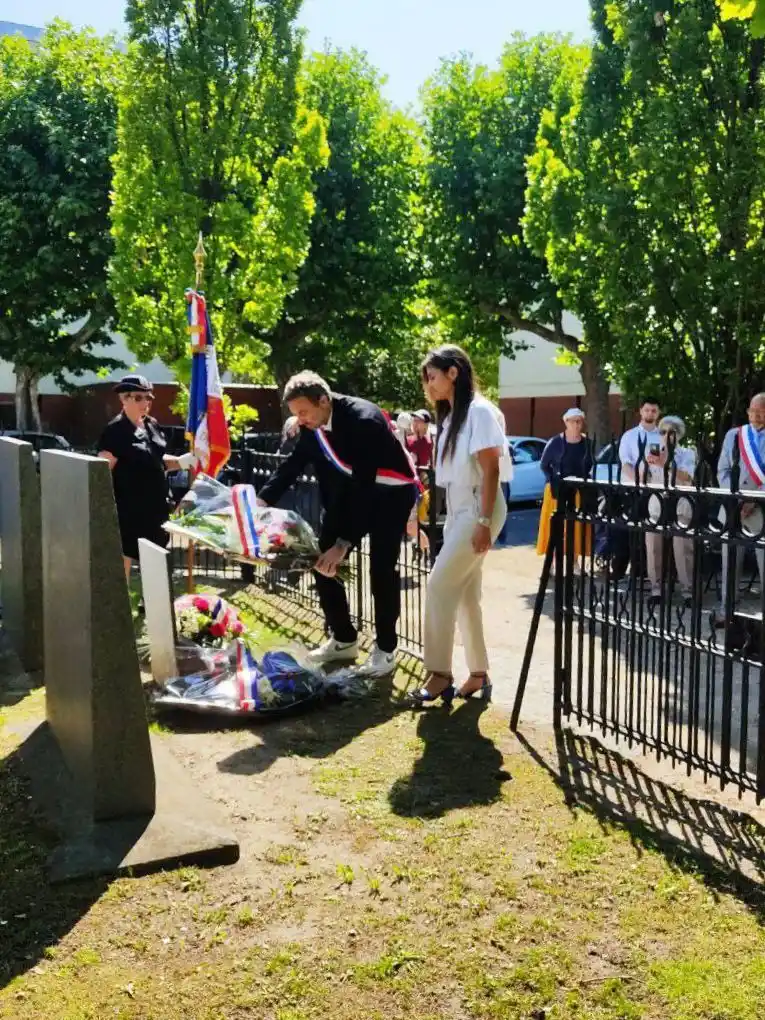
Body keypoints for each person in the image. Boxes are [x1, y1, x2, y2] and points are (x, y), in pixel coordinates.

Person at [256, 371, 418, 674]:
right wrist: (261, 502)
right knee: (321, 562)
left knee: (381, 570)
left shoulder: (364, 420)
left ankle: (386, 649)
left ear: (324, 400)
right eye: (295, 415)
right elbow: (293, 465)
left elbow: (366, 487)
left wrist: (344, 544)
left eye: (303, 412)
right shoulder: (313, 423)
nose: (300, 420)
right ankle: (344, 639)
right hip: (352, 493)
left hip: (389, 496)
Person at [408, 345, 511, 706]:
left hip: (478, 507)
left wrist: (483, 521)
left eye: (432, 376)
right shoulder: (452, 416)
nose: (428, 385)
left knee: (438, 585)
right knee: (465, 594)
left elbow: (492, 471)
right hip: (460, 509)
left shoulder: (480, 412)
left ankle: (439, 674)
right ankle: (479, 674)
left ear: (453, 372)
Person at [98, 375, 196, 581]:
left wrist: (183, 461)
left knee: (155, 558)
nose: (145, 403)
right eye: (139, 398)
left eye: (148, 398)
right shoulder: (115, 430)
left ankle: (150, 605)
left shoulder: (152, 425)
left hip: (156, 508)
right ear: (123, 399)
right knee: (125, 556)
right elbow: (103, 470)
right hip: (129, 510)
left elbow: (157, 460)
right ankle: (121, 608)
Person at [717, 392, 765, 611]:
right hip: (732, 505)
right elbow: (722, 471)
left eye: (761, 411)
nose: (756, 416)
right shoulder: (735, 435)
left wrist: (753, 500)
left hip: (760, 507)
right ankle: (728, 610)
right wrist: (735, 497)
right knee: (730, 559)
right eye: (752, 411)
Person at [643, 415, 696, 603]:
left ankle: (688, 590)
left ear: (678, 435)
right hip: (657, 504)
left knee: (682, 547)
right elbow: (644, 477)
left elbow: (687, 477)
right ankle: (656, 589)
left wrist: (665, 464)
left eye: (671, 432)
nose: (666, 435)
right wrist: (647, 465)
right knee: (653, 547)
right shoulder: (652, 450)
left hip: (680, 504)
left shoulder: (688, 453)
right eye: (663, 432)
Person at [536, 408, 594, 558]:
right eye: (573, 421)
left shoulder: (587, 443)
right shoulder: (555, 442)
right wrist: (552, 480)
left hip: (578, 490)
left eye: (579, 421)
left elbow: (590, 465)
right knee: (556, 526)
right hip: (558, 491)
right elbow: (544, 465)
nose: (576, 424)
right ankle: (555, 561)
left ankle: (573, 560)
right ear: (566, 422)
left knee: (576, 526)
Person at [619, 396, 662, 483]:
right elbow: (625, 463)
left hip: (658, 487)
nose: (650, 413)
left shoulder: (663, 437)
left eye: (654, 411)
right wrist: (640, 481)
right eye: (647, 410)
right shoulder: (629, 436)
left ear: (658, 413)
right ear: (641, 411)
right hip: (633, 486)